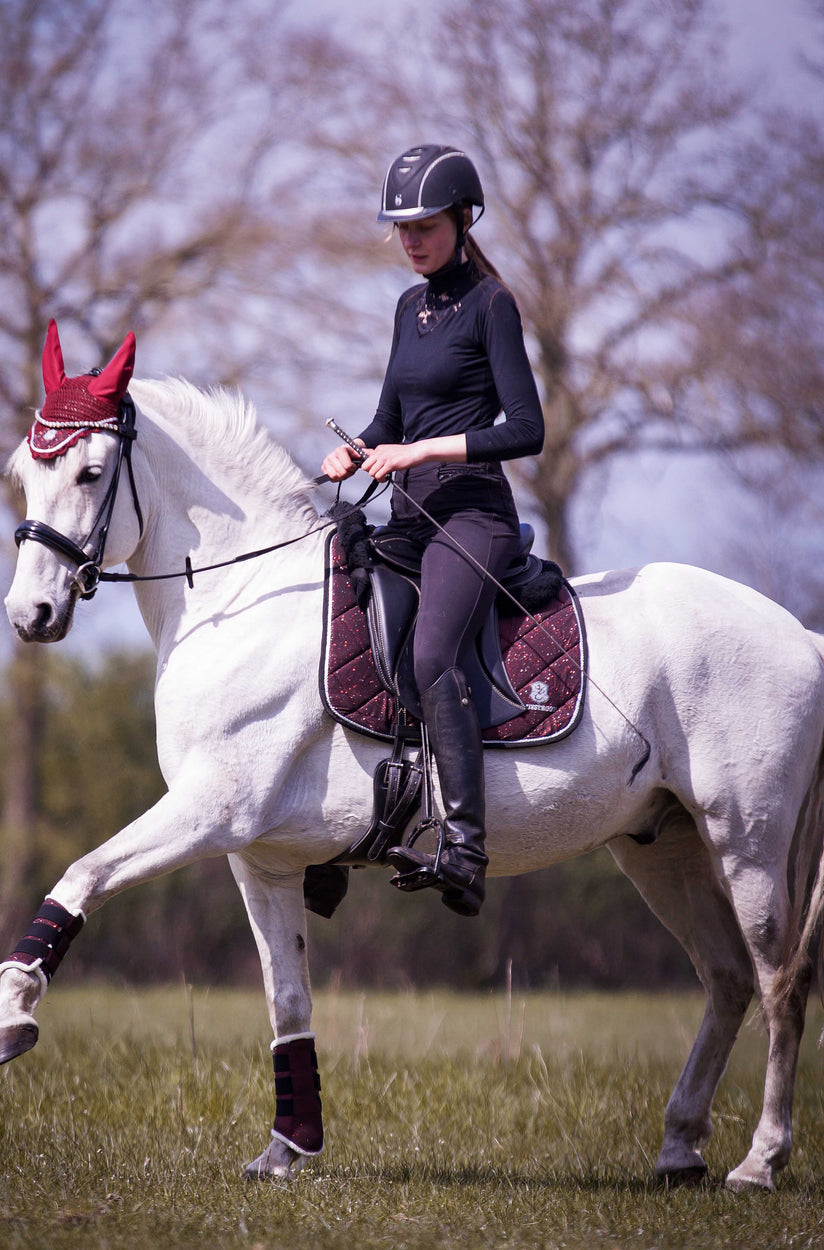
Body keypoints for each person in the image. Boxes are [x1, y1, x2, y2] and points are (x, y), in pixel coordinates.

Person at [321, 144, 545, 918]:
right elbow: (389, 417)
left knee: (431, 653)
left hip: (474, 516)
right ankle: (339, 828)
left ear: (461, 218)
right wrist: (356, 449)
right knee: (332, 608)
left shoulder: (492, 304)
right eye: (400, 227)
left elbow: (527, 428)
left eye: (424, 224)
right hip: (410, 514)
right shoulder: (405, 310)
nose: (411, 238)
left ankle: (466, 849)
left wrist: (419, 449)